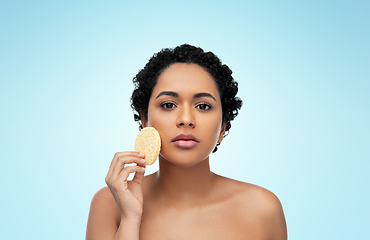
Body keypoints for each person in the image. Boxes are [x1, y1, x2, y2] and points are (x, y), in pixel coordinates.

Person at [86, 44, 287, 240]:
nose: (186, 119)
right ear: (145, 120)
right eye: (168, 104)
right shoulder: (110, 203)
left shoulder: (263, 209)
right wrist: (130, 218)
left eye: (203, 106)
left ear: (223, 127)